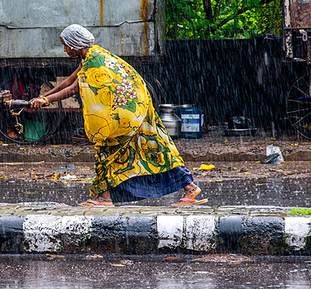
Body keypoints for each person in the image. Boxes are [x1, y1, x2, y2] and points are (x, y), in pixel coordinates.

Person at [29, 24, 207, 207]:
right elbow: (69, 80)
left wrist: (47, 100)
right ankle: (188, 188)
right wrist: (43, 97)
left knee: (124, 150)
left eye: (66, 45)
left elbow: (74, 88)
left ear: (75, 43)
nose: (65, 50)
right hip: (130, 112)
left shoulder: (94, 60)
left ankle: (107, 197)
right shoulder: (91, 56)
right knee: (149, 149)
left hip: (128, 115)